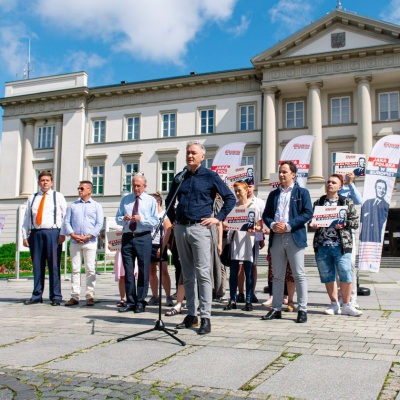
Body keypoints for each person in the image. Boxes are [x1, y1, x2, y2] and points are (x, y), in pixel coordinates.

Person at [165, 141, 236, 335]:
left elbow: (230, 198)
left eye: (194, 153)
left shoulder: (210, 176)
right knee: (187, 274)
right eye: (188, 153)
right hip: (181, 229)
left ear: (202, 157)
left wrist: (218, 218)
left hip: (200, 229)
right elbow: (168, 200)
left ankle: (205, 316)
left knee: (203, 273)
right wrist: (174, 221)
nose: (190, 156)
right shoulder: (180, 177)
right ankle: (191, 314)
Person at [261, 161, 313, 323]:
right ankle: (276, 308)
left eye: (284, 172)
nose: (281, 175)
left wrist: (288, 226)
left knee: (299, 274)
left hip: (294, 236)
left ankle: (302, 309)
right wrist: (272, 224)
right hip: (276, 237)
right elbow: (266, 215)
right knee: (277, 275)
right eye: (280, 172)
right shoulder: (273, 194)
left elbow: (307, 213)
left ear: (293, 174)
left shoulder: (302, 193)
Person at [311, 174, 362, 317]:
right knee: (328, 276)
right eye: (328, 181)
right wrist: (313, 225)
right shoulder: (318, 202)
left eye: (333, 182)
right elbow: (312, 222)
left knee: (346, 274)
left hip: (341, 245)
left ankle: (347, 305)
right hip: (322, 245)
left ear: (340, 186)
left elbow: (355, 222)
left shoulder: (346, 202)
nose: (330, 184)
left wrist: (344, 224)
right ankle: (334, 304)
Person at [22, 172, 67, 306]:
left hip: (53, 232)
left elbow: (65, 216)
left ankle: (56, 296)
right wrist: (25, 235)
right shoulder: (32, 198)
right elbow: (26, 218)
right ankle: (37, 295)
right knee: (37, 265)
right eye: (42, 180)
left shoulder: (57, 196)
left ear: (52, 182)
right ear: (38, 183)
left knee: (54, 265)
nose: (45, 182)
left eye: (47, 180)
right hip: (36, 233)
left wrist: (63, 233)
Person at [116, 174, 158, 313]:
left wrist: (142, 219)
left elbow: (155, 221)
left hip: (143, 237)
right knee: (128, 271)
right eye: (133, 185)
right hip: (128, 237)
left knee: (143, 269)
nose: (135, 188)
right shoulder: (126, 199)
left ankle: (140, 301)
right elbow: (118, 218)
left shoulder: (150, 200)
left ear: (144, 186)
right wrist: (124, 218)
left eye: (138, 185)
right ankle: (130, 301)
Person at [61, 181, 104, 307]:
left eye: (82, 188)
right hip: (75, 241)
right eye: (78, 188)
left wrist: (89, 236)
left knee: (90, 269)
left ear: (89, 190)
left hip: (90, 241)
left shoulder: (96, 206)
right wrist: (73, 234)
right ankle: (75, 296)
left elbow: (99, 223)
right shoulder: (73, 205)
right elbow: (66, 222)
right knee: (75, 269)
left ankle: (90, 295)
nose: (79, 190)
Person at [223, 181, 263, 311]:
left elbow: (259, 226)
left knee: (249, 271)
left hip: (249, 241)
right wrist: (226, 226)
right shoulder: (233, 207)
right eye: (236, 191)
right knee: (234, 271)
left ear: (246, 190)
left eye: (239, 190)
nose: (237, 193)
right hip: (236, 240)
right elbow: (227, 224)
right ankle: (232, 299)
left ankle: (248, 300)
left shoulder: (254, 207)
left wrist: (258, 237)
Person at [338, 171, 362, 307]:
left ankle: (352, 298)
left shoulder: (349, 189)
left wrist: (351, 183)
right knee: (337, 267)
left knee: (350, 265)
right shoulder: (331, 191)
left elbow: (359, 200)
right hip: (333, 235)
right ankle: (340, 297)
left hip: (347, 233)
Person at [148, 192, 174, 307]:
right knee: (151, 271)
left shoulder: (163, 214)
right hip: (149, 244)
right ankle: (155, 296)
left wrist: (162, 246)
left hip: (159, 244)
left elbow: (168, 230)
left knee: (164, 270)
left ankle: (168, 296)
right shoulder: (148, 214)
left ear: (158, 202)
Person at [359, 179, 390, 243]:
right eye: (379, 188)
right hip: (364, 238)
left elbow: (382, 220)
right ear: (375, 188)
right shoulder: (367, 202)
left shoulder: (386, 205)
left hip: (376, 239)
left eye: (384, 189)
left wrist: (368, 215)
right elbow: (361, 219)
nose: (381, 191)